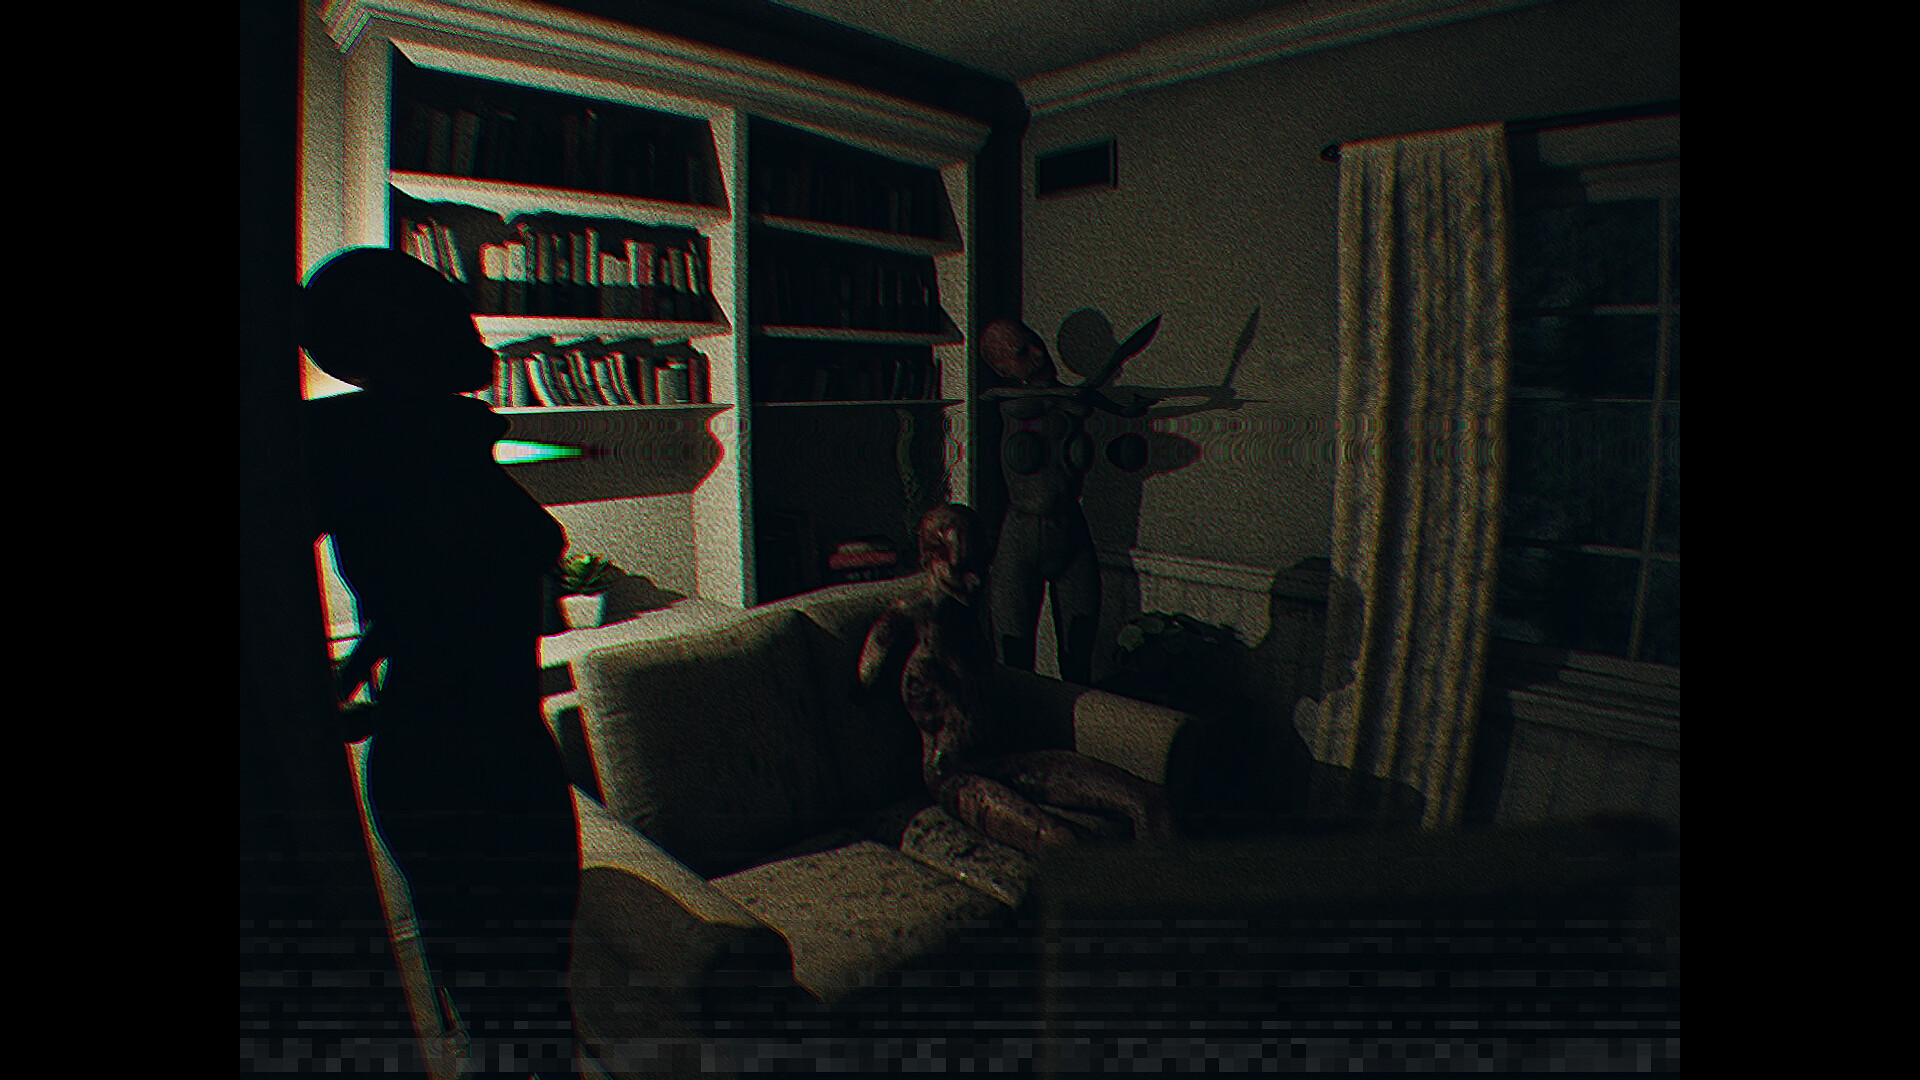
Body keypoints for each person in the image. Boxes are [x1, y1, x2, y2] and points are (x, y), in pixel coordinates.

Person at [301, 247, 580, 1080]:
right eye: (444, 310)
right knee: (514, 1021)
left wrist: (358, 664)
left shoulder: (435, 434)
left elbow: (421, 595)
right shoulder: (360, 441)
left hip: (496, 751)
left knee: (528, 1009)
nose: (469, 324)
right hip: (462, 771)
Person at [859, 503, 1175, 857]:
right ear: (927, 559)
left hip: (1006, 756)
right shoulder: (902, 622)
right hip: (954, 774)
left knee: (1150, 801)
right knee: (1065, 842)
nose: (975, 581)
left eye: (981, 566)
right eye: (961, 569)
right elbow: (865, 685)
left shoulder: (968, 616)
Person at [979, 317, 1154, 685]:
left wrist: (1122, 409)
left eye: (1034, 340)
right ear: (1004, 369)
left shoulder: (1071, 397)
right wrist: (1081, 397)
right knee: (1014, 665)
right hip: (1020, 539)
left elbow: (1079, 398)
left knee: (1079, 662)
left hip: (1071, 533)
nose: (1038, 353)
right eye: (1022, 352)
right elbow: (1009, 398)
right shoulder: (1011, 402)